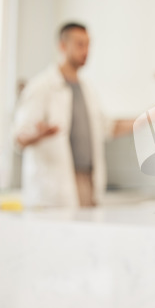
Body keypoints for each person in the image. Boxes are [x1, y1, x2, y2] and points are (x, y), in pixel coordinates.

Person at [14, 23, 133, 208]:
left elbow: (107, 128)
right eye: (80, 44)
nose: (86, 51)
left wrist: (144, 120)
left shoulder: (88, 90)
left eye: (88, 44)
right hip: (54, 189)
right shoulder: (41, 87)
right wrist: (38, 135)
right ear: (62, 46)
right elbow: (18, 138)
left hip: (88, 183)